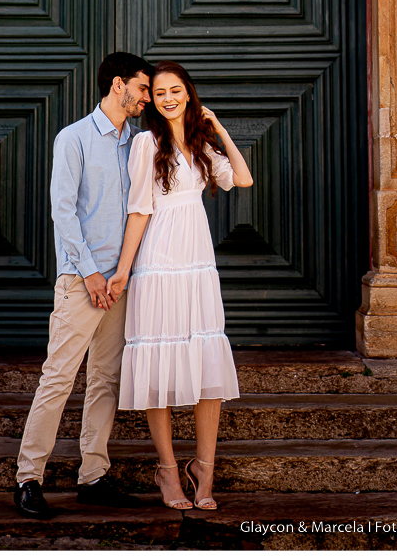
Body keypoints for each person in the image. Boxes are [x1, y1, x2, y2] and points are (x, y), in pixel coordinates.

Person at [106, 61, 253, 512]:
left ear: (189, 94)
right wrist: (123, 270)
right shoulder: (146, 143)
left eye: (176, 90)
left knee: (206, 366)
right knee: (160, 364)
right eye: (160, 91)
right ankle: (168, 472)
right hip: (158, 263)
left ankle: (204, 470)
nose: (167, 97)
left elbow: (243, 179)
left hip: (197, 266)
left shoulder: (203, 144)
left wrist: (218, 126)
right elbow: (139, 209)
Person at [14, 52, 154, 519]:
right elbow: (63, 210)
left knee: (105, 381)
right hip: (82, 280)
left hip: (121, 283)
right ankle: (28, 479)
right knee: (58, 378)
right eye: (143, 87)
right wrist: (92, 273)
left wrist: (120, 275)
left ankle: (93, 477)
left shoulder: (138, 143)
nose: (148, 97)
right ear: (119, 85)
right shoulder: (72, 138)